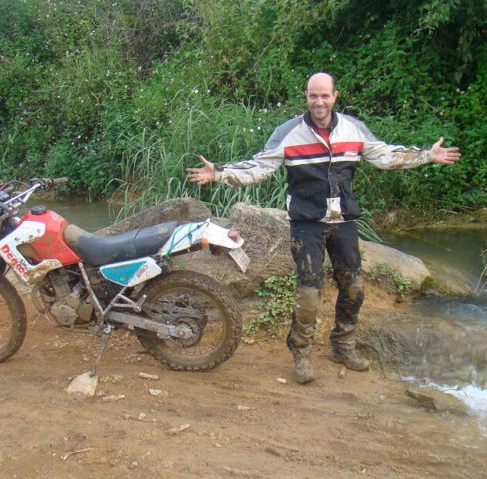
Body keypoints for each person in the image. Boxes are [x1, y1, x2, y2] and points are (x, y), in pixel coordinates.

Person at [187, 72, 460, 384]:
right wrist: (220, 172)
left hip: (343, 220)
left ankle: (343, 345)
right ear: (306, 96)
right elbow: (259, 167)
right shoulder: (289, 132)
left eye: (324, 96)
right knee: (309, 294)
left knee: (354, 288)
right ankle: (301, 353)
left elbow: (386, 156)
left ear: (335, 96)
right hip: (306, 223)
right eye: (313, 96)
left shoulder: (353, 128)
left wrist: (427, 154)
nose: (319, 102)